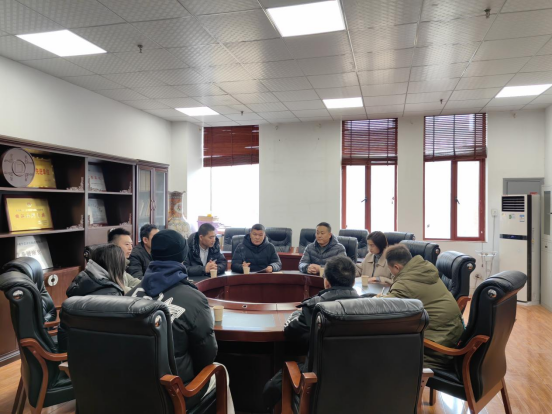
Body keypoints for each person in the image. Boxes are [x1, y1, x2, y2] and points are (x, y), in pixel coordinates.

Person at [128, 229, 219, 409]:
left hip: (130, 389)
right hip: (175, 393)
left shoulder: (129, 294)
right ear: (183, 256)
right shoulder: (194, 299)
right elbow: (207, 354)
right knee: (220, 372)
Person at [263, 256, 359, 411]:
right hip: (360, 381)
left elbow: (290, 331)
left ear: (326, 282)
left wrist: (298, 313)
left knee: (271, 389)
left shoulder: (313, 308)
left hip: (319, 383)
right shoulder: (371, 307)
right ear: (353, 282)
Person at [381, 244, 464, 370]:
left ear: (397, 267)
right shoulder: (423, 270)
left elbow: (381, 308)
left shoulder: (405, 283)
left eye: (390, 269)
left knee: (377, 348)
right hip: (449, 336)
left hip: (435, 350)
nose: (391, 274)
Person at [59, 244, 126, 351]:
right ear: (117, 266)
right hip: (87, 351)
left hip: (72, 344)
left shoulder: (84, 278)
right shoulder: (111, 293)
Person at [108, 227, 140, 292]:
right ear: (113, 246)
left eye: (131, 244)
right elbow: (120, 289)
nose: (130, 248)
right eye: (127, 244)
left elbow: (134, 281)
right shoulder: (109, 266)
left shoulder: (121, 265)